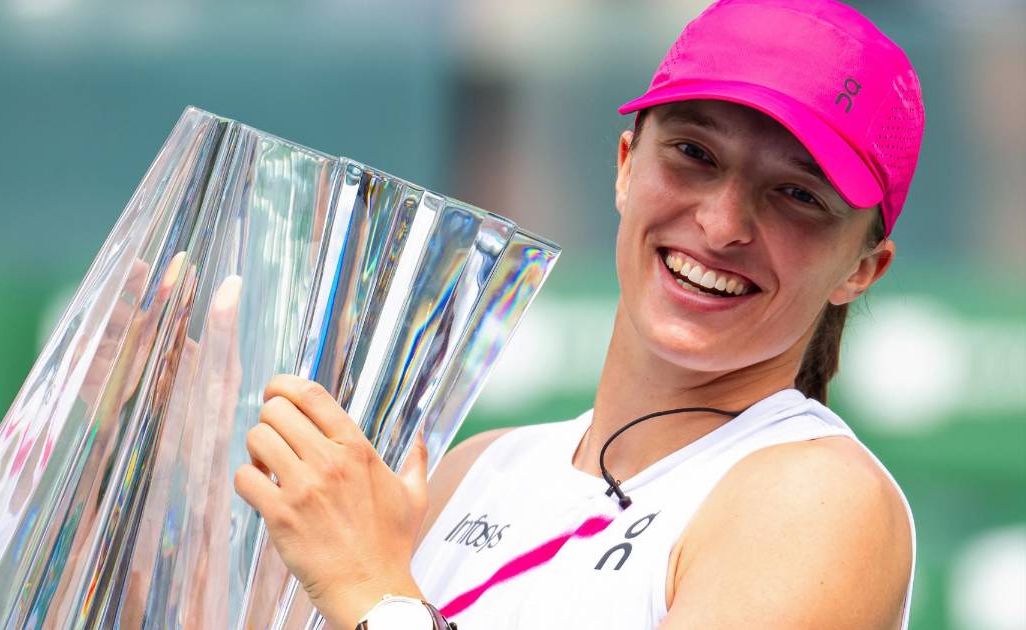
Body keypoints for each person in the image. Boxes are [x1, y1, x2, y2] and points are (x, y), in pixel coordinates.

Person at [233, 0, 925, 628]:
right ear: (626, 165)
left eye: (798, 195)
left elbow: (369, 595)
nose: (721, 226)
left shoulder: (821, 500)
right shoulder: (479, 468)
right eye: (694, 154)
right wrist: (191, 468)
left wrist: (371, 590)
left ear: (862, 269)